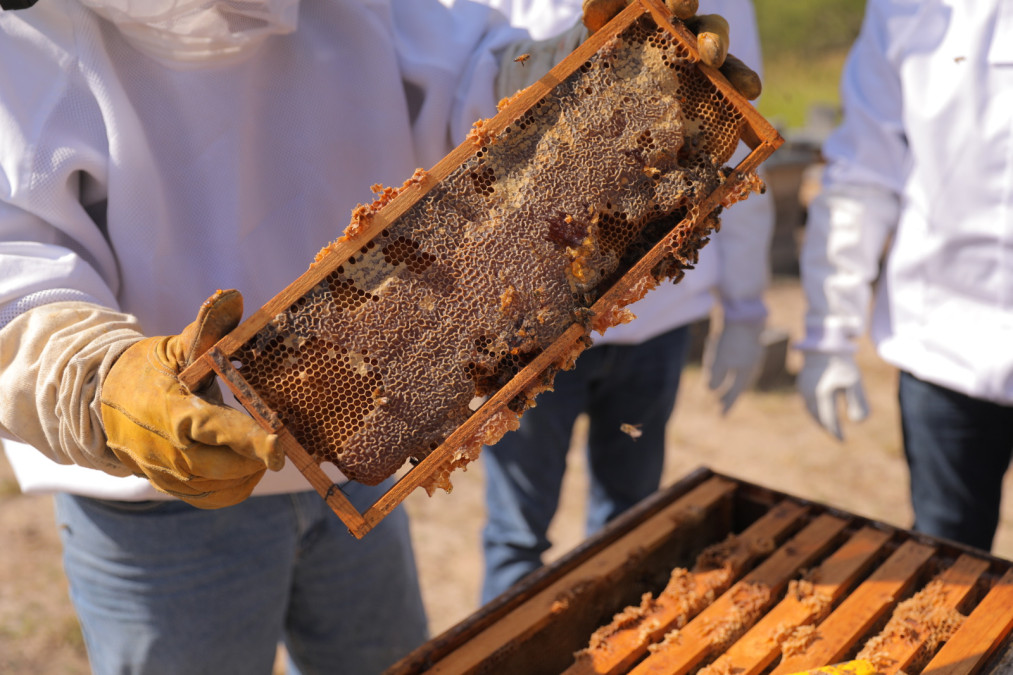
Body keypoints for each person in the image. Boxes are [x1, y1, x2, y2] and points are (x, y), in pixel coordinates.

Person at [0, 0, 759, 671]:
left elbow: (469, 75)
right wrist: (98, 378)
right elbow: (18, 267)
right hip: (161, 501)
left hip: (357, 444)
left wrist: (582, 68)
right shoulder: (30, 43)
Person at [449, 0, 775, 604]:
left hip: (656, 317)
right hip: (532, 320)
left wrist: (747, 308)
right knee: (518, 534)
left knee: (629, 523)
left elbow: (740, 128)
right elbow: (455, 82)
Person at [796, 0, 1013, 552]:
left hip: (939, 332)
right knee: (948, 559)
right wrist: (829, 330)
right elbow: (863, 175)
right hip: (944, 343)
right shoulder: (906, 11)